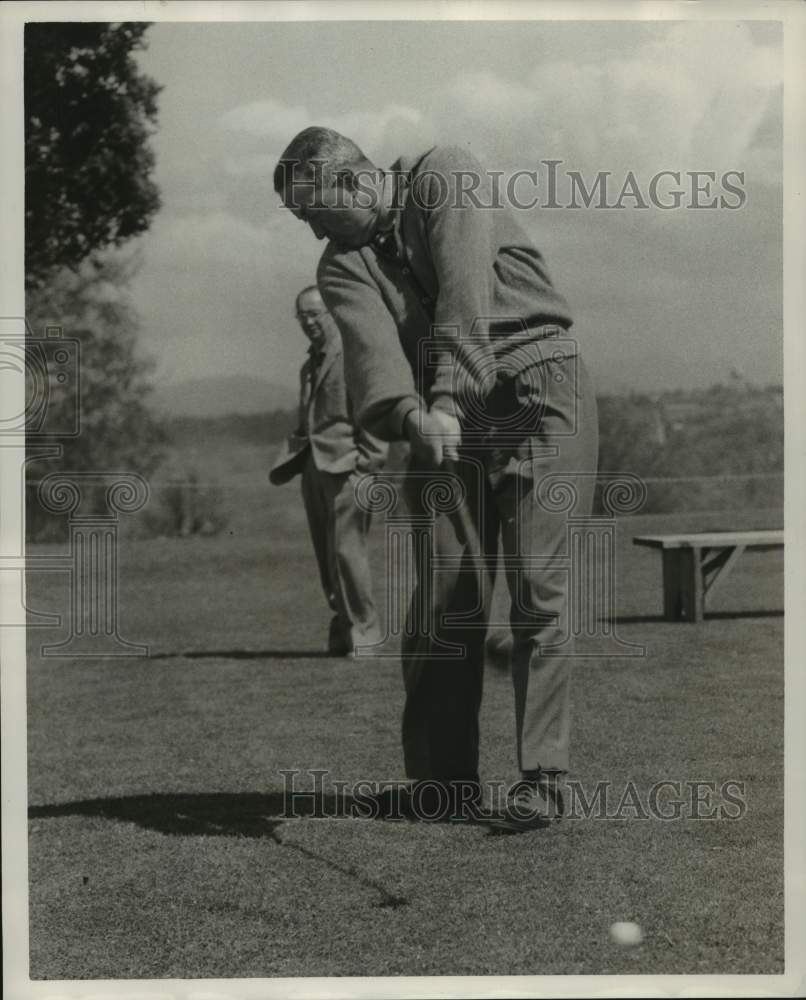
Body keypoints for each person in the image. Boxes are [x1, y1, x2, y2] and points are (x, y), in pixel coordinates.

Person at [273, 130, 599, 830]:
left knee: (539, 590)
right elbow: (374, 363)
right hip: (443, 418)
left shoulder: (445, 175)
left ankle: (542, 780)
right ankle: (442, 784)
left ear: (356, 183)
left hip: (538, 385)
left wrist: (446, 398)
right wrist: (411, 416)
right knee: (445, 598)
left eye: (314, 212)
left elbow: (463, 297)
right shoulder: (341, 265)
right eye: (301, 219)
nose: (313, 230)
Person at [270, 285, 387, 656]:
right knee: (327, 557)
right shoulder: (309, 365)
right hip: (314, 469)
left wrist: (366, 467)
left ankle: (365, 636)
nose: (307, 322)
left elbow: (374, 415)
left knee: (348, 555)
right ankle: (343, 633)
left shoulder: (354, 355)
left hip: (349, 470)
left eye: (313, 314)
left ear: (333, 312)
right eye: (301, 315)